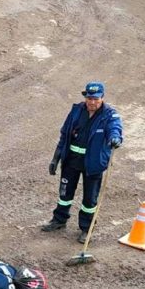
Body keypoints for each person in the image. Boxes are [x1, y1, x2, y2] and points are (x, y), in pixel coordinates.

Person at [41, 82, 123, 242]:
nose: (92, 102)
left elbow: (115, 129)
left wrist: (115, 138)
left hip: (93, 164)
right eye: (89, 98)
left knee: (89, 199)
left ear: (102, 98)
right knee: (65, 193)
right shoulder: (76, 111)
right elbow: (65, 134)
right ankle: (59, 220)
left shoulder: (110, 115)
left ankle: (87, 228)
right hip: (71, 160)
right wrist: (55, 158)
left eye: (96, 99)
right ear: (86, 97)